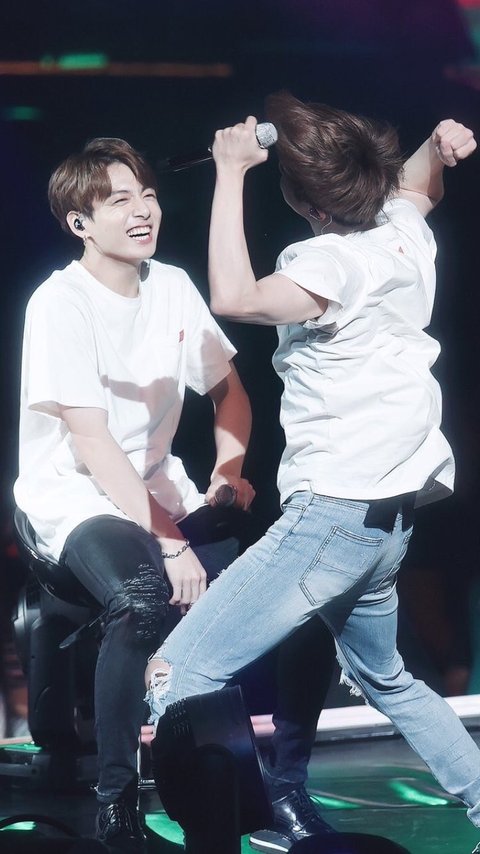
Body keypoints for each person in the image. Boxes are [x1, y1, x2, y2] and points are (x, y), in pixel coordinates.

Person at [145, 94, 480, 852]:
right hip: (388, 519)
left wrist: (231, 172)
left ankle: (214, 837)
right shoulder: (401, 234)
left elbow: (234, 297)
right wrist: (436, 145)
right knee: (389, 679)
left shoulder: (327, 263)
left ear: (308, 205)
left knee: (178, 673)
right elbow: (415, 188)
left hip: (331, 518)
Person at [13, 136, 336, 853]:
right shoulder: (59, 303)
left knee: (293, 607)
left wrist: (227, 468)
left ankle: (285, 787)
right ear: (79, 222)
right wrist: (169, 541)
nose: (143, 211)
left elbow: (229, 391)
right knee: (142, 600)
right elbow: (91, 441)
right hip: (75, 492)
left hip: (157, 484)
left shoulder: (173, 287)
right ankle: (117, 801)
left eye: (148, 195)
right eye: (119, 200)